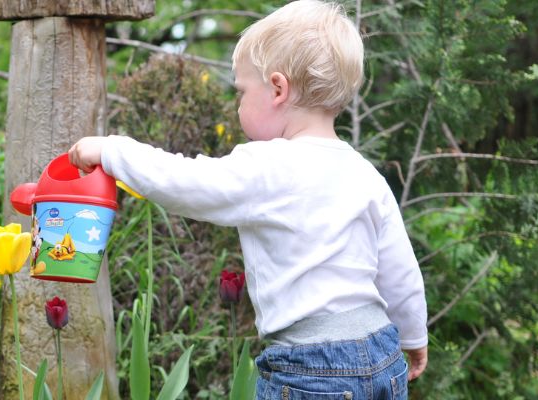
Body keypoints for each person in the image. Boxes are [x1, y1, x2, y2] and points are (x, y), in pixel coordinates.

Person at [68, 0, 427, 398]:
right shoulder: (364, 173)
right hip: (382, 353)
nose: (237, 104)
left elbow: (187, 182)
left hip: (312, 368)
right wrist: (412, 335)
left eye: (241, 91)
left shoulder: (269, 166)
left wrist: (111, 151)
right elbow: (400, 270)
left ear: (277, 88)